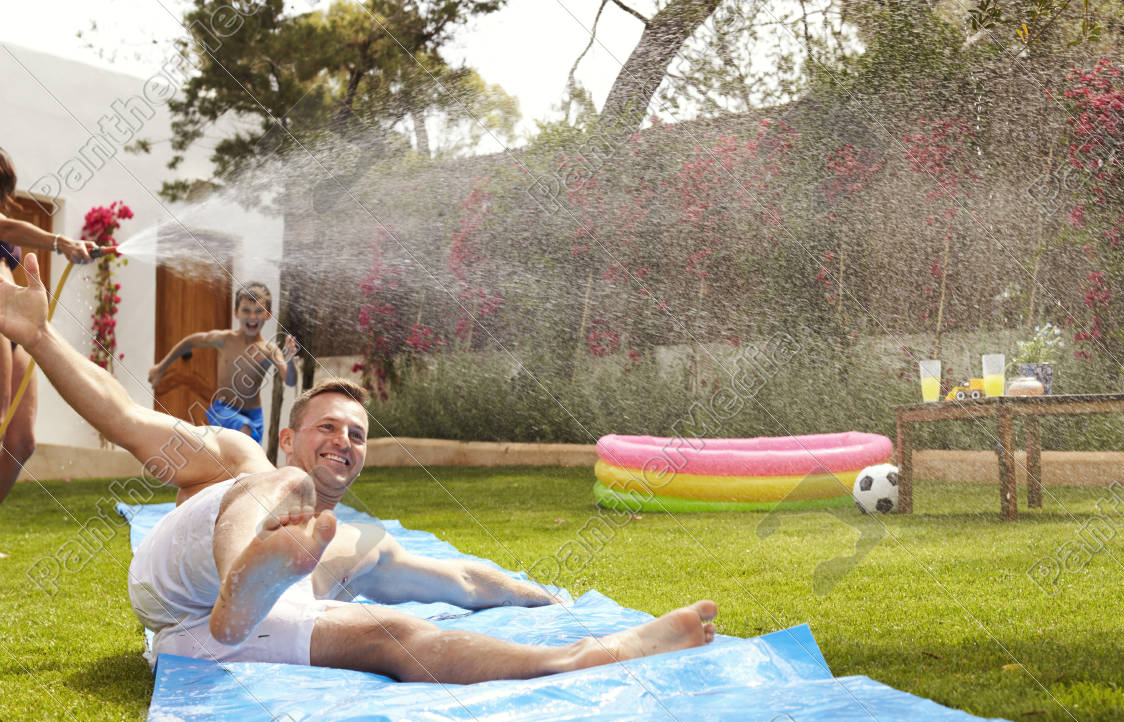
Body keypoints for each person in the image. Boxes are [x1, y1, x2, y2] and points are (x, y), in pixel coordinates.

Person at [0, 251, 717, 683]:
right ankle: (241, 575)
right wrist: (38, 336)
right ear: (288, 433)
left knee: (392, 637)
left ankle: (584, 658)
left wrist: (548, 600)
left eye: (359, 436)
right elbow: (123, 416)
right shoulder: (237, 454)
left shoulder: (349, 545)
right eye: (329, 428)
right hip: (180, 584)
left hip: (207, 646)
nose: (345, 441)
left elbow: (465, 580)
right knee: (282, 490)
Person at [0, 147, 97, 504]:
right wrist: (59, 241)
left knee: (21, 441)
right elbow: (7, 226)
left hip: (14, 329)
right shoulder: (5, 223)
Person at [148, 281, 297, 443]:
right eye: (246, 310)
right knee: (244, 432)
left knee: (249, 459)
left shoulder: (270, 349)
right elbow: (189, 342)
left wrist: (289, 361)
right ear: (236, 312)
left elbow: (289, 381)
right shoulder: (224, 339)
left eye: (258, 311)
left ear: (268, 314)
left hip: (254, 416)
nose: (252, 317)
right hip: (224, 409)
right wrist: (160, 367)